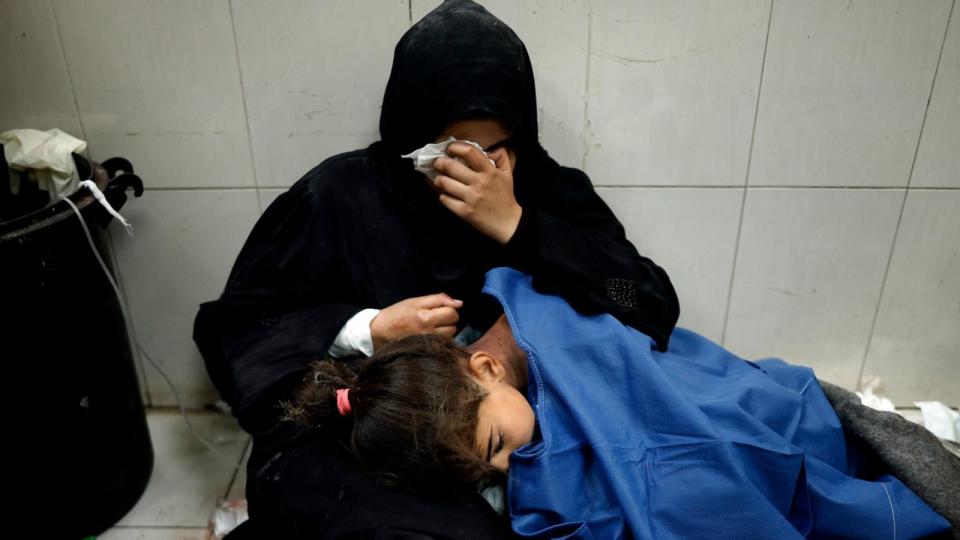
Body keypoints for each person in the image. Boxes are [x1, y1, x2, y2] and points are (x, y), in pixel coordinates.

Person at [193, 1, 679, 537]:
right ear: (408, 139)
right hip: (365, 435)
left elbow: (647, 305)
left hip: (525, 431)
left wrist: (521, 226)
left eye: (492, 152)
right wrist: (365, 331)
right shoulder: (339, 197)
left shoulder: (546, 190)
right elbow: (235, 332)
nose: (468, 173)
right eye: (444, 155)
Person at [286, 267, 956, 539]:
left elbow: (653, 354)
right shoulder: (515, 460)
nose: (506, 470)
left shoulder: (544, 317)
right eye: (483, 475)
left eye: (494, 447)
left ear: (487, 367)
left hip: (757, 411)